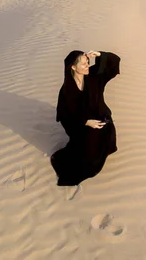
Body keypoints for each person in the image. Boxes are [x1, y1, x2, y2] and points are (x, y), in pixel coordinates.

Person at [51, 49, 121, 188]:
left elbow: (114, 63)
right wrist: (86, 122)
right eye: (83, 64)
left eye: (87, 62)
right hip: (79, 124)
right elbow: (65, 115)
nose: (87, 66)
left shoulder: (94, 76)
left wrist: (100, 55)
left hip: (100, 116)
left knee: (106, 129)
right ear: (73, 66)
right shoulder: (67, 89)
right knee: (89, 150)